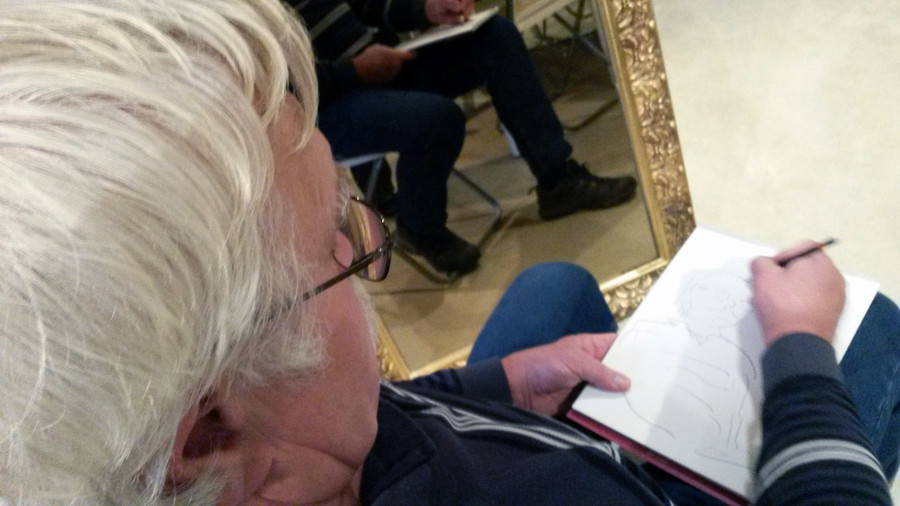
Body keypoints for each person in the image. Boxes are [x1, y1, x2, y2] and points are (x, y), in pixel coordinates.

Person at [0, 1, 895, 504]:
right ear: (210, 432)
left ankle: (556, 177)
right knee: (878, 333)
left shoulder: (272, 445)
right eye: (344, 245)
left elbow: (385, 411)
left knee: (552, 284)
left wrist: (499, 386)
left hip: (461, 433)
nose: (366, 243)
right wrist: (799, 352)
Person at [289, 0, 638, 276]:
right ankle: (420, 229)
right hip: (322, 107)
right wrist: (355, 71)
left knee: (497, 37)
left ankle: (558, 179)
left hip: (377, 66)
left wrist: (425, 9)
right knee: (436, 121)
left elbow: (369, 5)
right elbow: (280, 86)